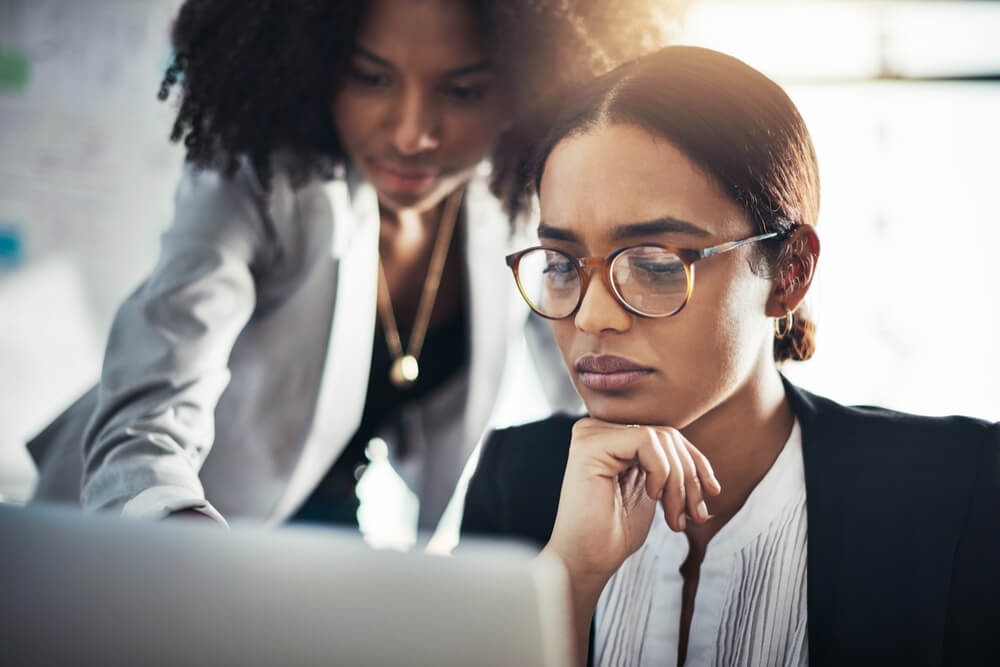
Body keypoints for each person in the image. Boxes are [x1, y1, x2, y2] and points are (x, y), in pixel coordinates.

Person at [27, 0, 677, 532]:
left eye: (462, 90)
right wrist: (179, 540)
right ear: (317, 64)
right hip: (153, 519)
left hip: (331, 510)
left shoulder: (513, 206)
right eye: (371, 77)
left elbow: (592, 376)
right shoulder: (255, 182)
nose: (411, 133)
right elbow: (149, 415)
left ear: (526, 82)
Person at [461, 45, 1000, 666]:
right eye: (560, 263)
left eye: (656, 264)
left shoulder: (956, 493)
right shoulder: (516, 480)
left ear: (790, 272)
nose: (591, 317)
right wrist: (566, 585)